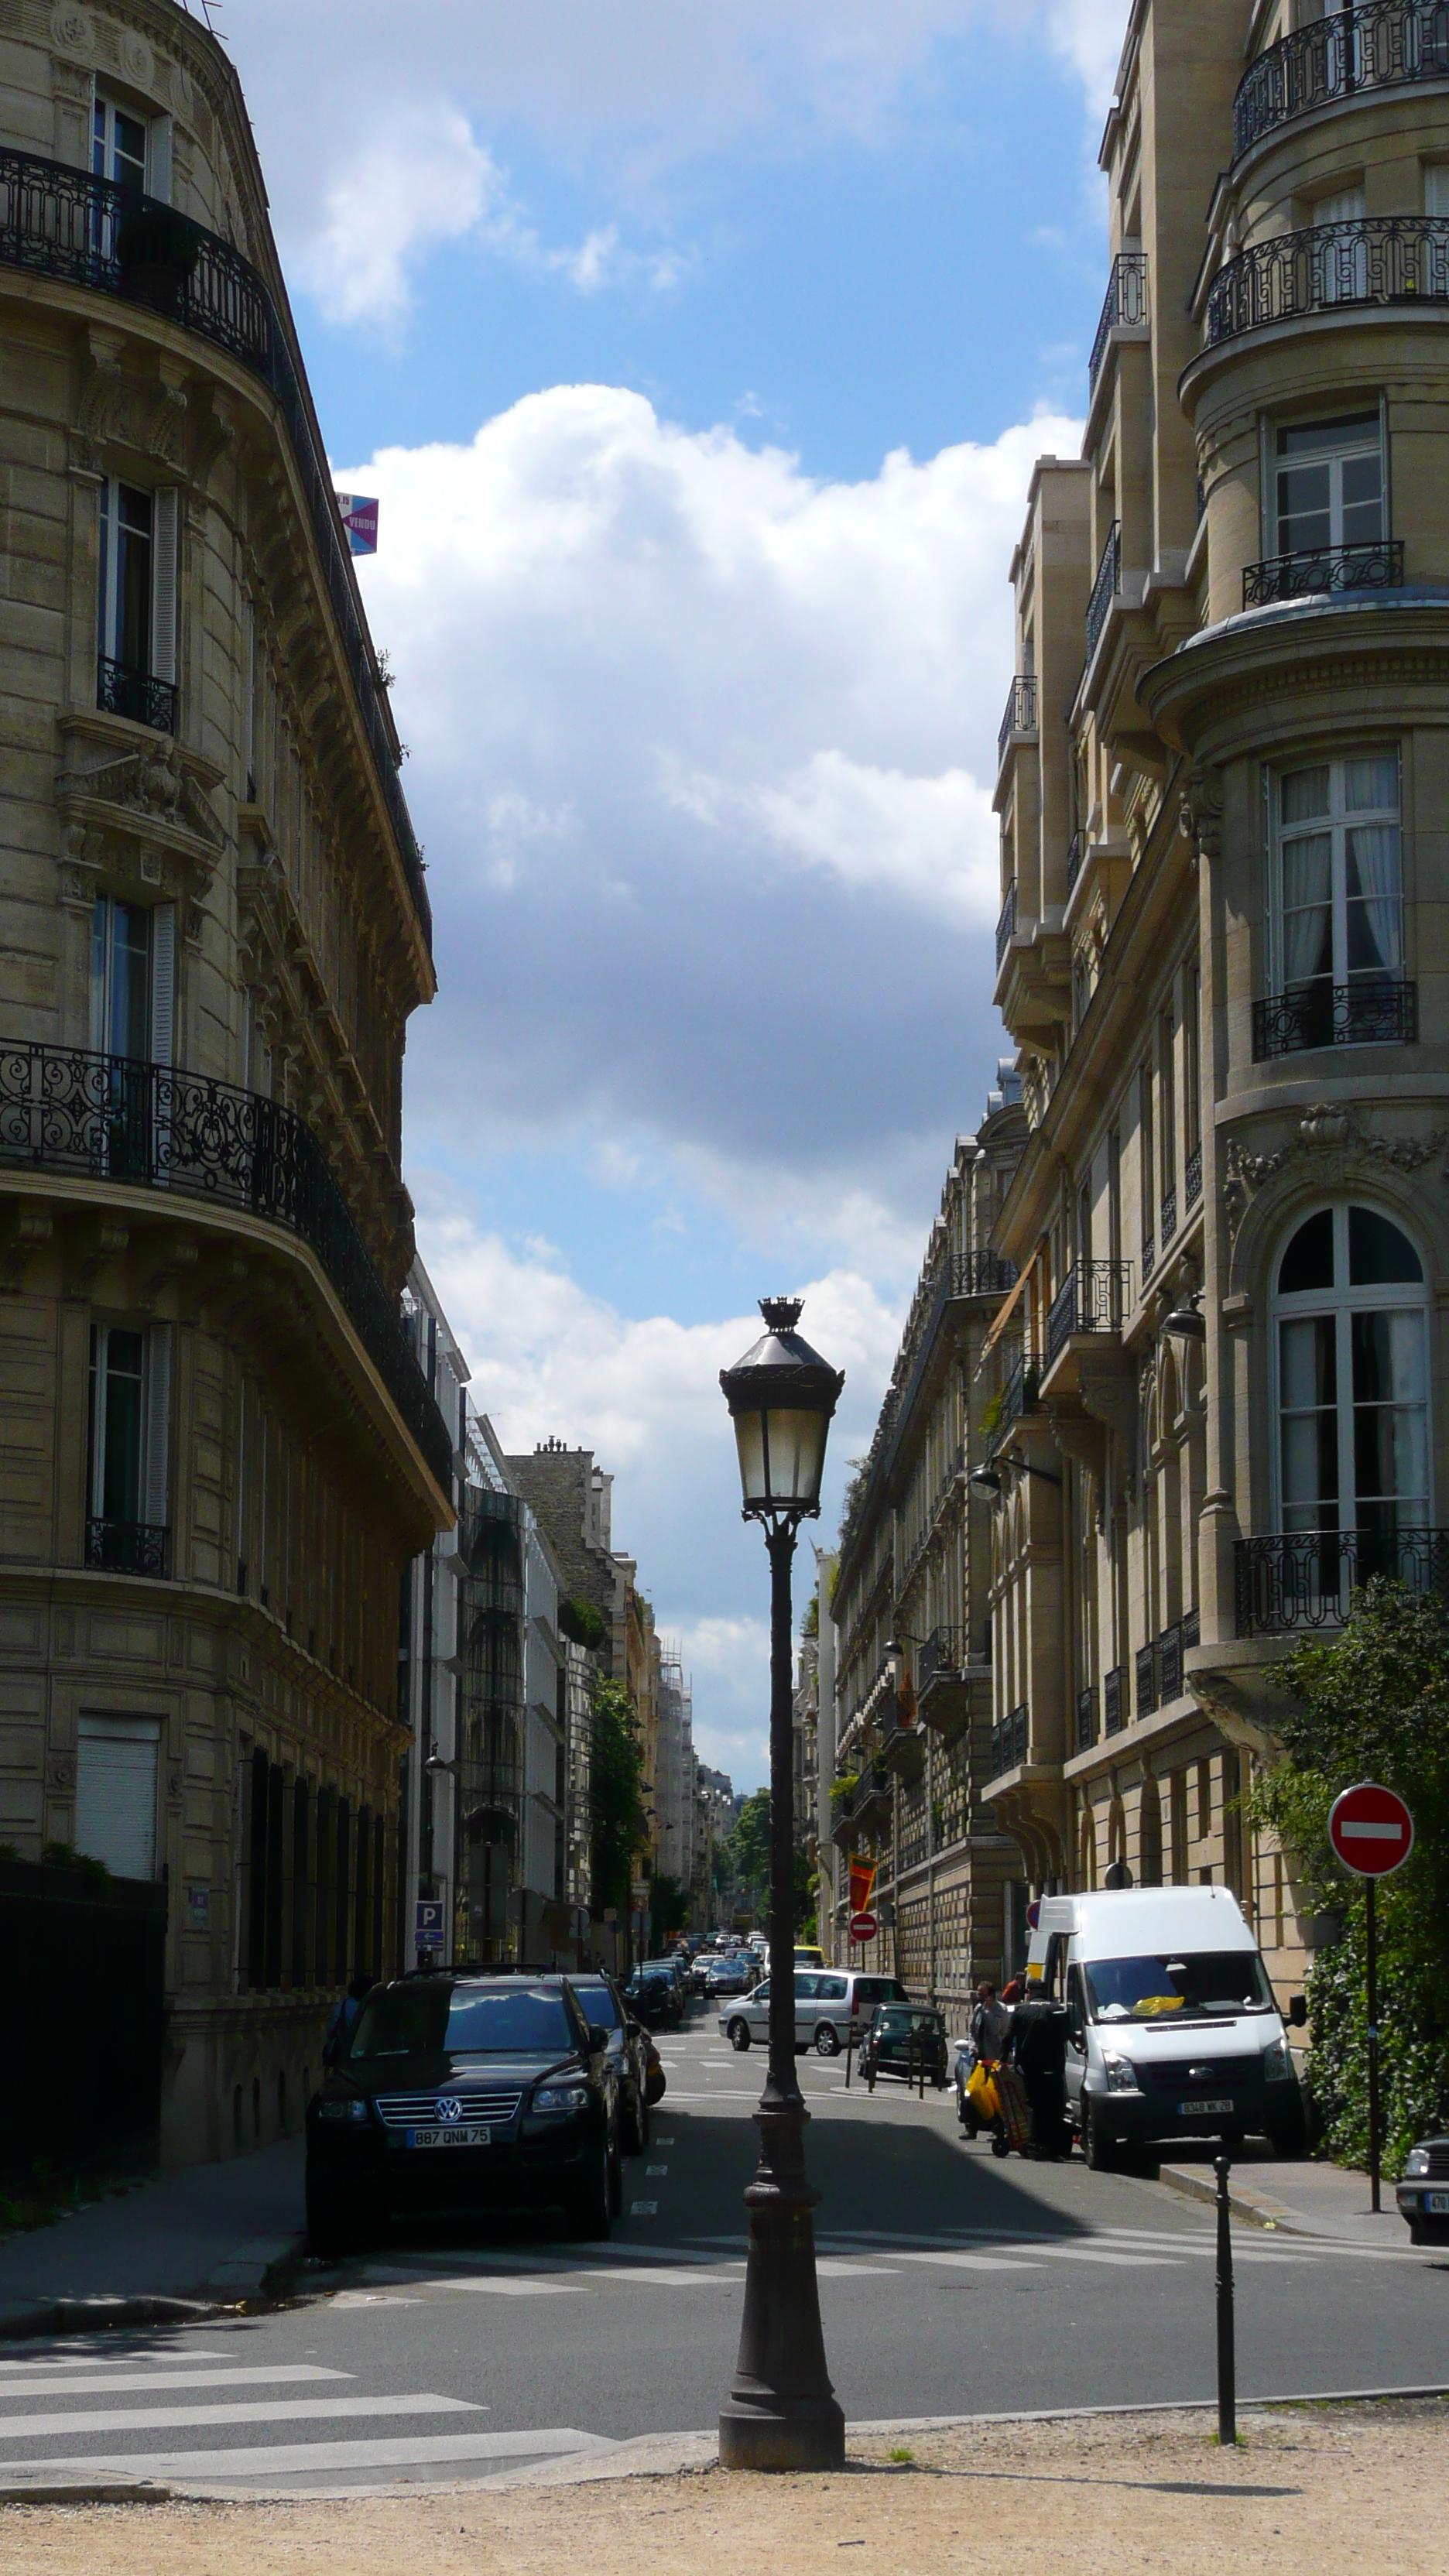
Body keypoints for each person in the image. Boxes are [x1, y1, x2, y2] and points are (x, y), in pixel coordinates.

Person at [1007, 1979, 1071, 2160]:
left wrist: (1004, 2059)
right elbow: (1068, 2035)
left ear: (1029, 1992)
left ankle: (1035, 2146)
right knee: (1054, 2107)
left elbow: (1008, 2037)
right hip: (1054, 2065)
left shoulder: (1021, 2011)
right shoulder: (1058, 2010)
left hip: (1029, 2067)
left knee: (1034, 2105)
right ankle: (1052, 2148)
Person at [323, 1972, 374, 2065]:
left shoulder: (342, 2006)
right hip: (363, 2054)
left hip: (343, 2054)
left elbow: (332, 2028)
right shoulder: (367, 2008)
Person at [970, 1980, 1012, 2064]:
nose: (979, 1997)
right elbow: (972, 2030)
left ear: (991, 1995)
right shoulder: (978, 2009)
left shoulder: (1000, 2009)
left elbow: (995, 2029)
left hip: (995, 2058)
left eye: (982, 1995)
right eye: (978, 1994)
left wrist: (987, 2010)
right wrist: (973, 2048)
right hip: (979, 2057)